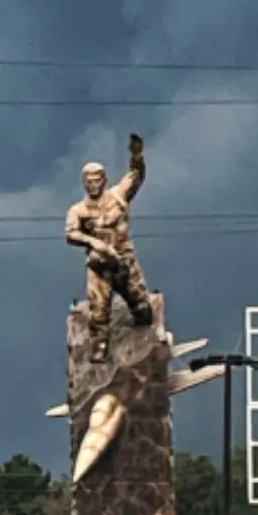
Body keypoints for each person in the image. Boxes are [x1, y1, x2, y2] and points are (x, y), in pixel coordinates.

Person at [65, 132, 154, 363]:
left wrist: (136, 155)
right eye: (89, 181)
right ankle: (100, 349)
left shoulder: (118, 196)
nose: (93, 185)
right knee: (99, 310)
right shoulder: (78, 210)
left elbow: (136, 176)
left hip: (124, 259)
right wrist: (92, 241)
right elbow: (71, 233)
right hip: (99, 265)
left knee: (141, 305)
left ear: (104, 180)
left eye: (97, 180)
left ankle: (146, 341)